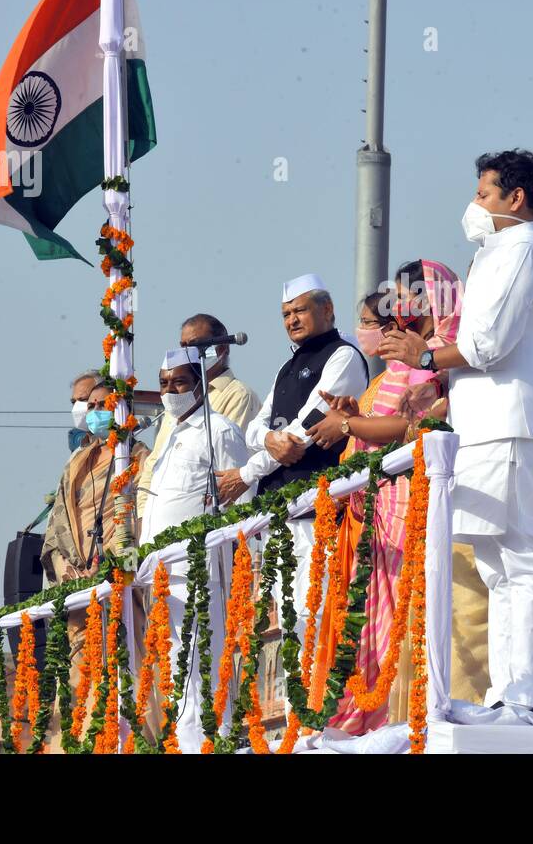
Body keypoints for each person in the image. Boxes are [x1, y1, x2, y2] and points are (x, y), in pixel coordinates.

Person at [381, 149, 533, 712]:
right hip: (483, 424)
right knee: (494, 561)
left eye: (484, 193)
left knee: (525, 557)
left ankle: (526, 698)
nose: (475, 204)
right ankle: (506, 694)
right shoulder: (495, 253)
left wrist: (425, 356)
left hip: (513, 422)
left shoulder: (524, 252)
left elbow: (488, 345)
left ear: (517, 198)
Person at [307, 262, 462, 732]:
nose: (400, 310)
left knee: (405, 607)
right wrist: (354, 414)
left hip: (408, 501)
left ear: (436, 299)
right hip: (376, 504)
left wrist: (350, 425)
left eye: (409, 297)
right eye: (395, 299)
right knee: (372, 606)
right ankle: (369, 714)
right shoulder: (402, 363)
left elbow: (416, 427)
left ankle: (401, 716)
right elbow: (385, 418)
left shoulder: (444, 359)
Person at [216, 274, 369, 643]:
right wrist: (269, 439)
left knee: (314, 612)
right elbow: (256, 428)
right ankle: (299, 702)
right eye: (285, 314)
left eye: (300, 310)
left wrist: (249, 472)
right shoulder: (288, 367)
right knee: (291, 620)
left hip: (317, 510)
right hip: (281, 510)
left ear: (327, 310)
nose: (292, 320)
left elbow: (308, 429)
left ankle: (318, 701)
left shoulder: (343, 356)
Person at [139, 348, 254, 752]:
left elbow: (242, 497)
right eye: (165, 383)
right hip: (164, 572)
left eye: (180, 382)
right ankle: (183, 742)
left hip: (203, 568)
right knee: (175, 661)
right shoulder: (170, 436)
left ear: (200, 385)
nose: (171, 391)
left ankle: (210, 741)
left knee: (202, 657)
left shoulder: (219, 430)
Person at [40, 378, 149, 750]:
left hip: (120, 590)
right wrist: (68, 571)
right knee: (77, 677)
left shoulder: (139, 460)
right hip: (76, 591)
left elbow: (142, 525)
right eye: (92, 406)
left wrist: (111, 567)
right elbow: (55, 530)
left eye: (105, 405)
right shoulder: (76, 464)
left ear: (123, 410)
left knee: (128, 671)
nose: (96, 413)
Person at [137, 313, 260, 520]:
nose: (186, 353)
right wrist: (143, 514)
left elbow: (228, 474)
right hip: (155, 527)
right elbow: (154, 464)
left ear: (223, 348)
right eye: (183, 346)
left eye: (195, 346)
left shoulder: (237, 394)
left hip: (202, 527)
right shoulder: (176, 401)